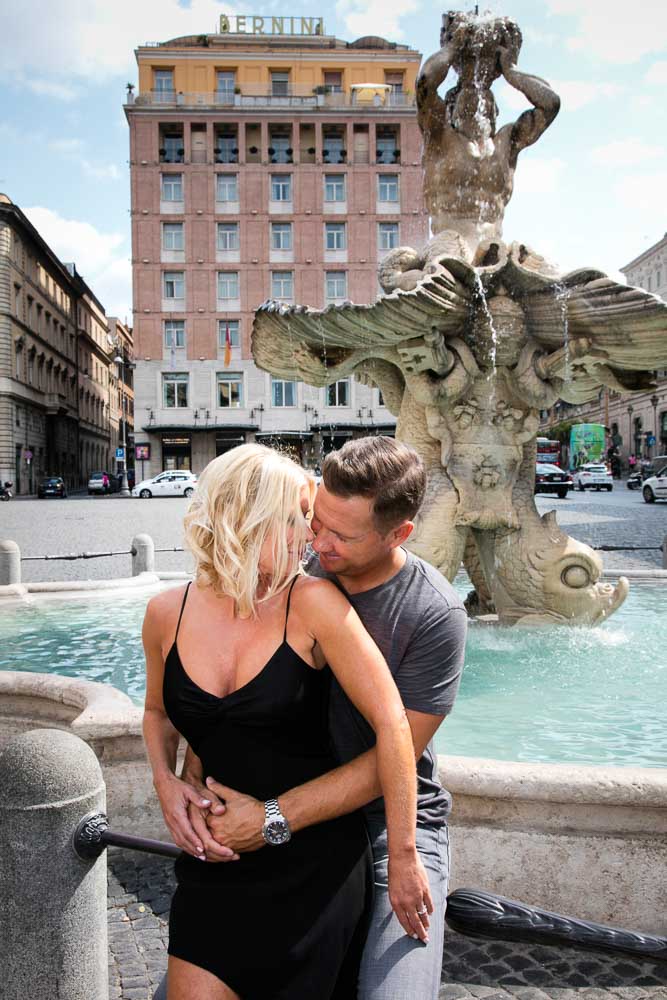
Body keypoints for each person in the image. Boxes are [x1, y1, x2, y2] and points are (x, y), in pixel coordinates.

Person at [156, 437, 467, 1000]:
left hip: (395, 817)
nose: (315, 542)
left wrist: (274, 819)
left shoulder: (433, 614)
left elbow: (390, 750)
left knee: (394, 995)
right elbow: (219, 697)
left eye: (339, 535)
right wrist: (184, 779)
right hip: (278, 815)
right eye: (312, 518)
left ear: (398, 534)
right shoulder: (288, 566)